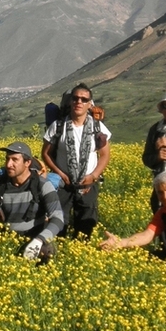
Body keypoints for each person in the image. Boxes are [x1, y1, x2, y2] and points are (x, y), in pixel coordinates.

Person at [41, 83, 111, 238]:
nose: (79, 102)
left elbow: (105, 155)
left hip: (88, 185)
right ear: (70, 101)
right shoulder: (58, 126)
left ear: (89, 104)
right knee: (58, 226)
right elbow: (45, 154)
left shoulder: (98, 127)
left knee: (86, 228)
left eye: (84, 99)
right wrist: (60, 174)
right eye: (75, 98)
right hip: (63, 186)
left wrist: (93, 176)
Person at [0, 142, 64, 261]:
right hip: (7, 240)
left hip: (35, 238)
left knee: (47, 252)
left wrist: (40, 240)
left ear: (27, 163)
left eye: (14, 160)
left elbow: (57, 218)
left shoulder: (42, 185)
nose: (8, 164)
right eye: (7, 159)